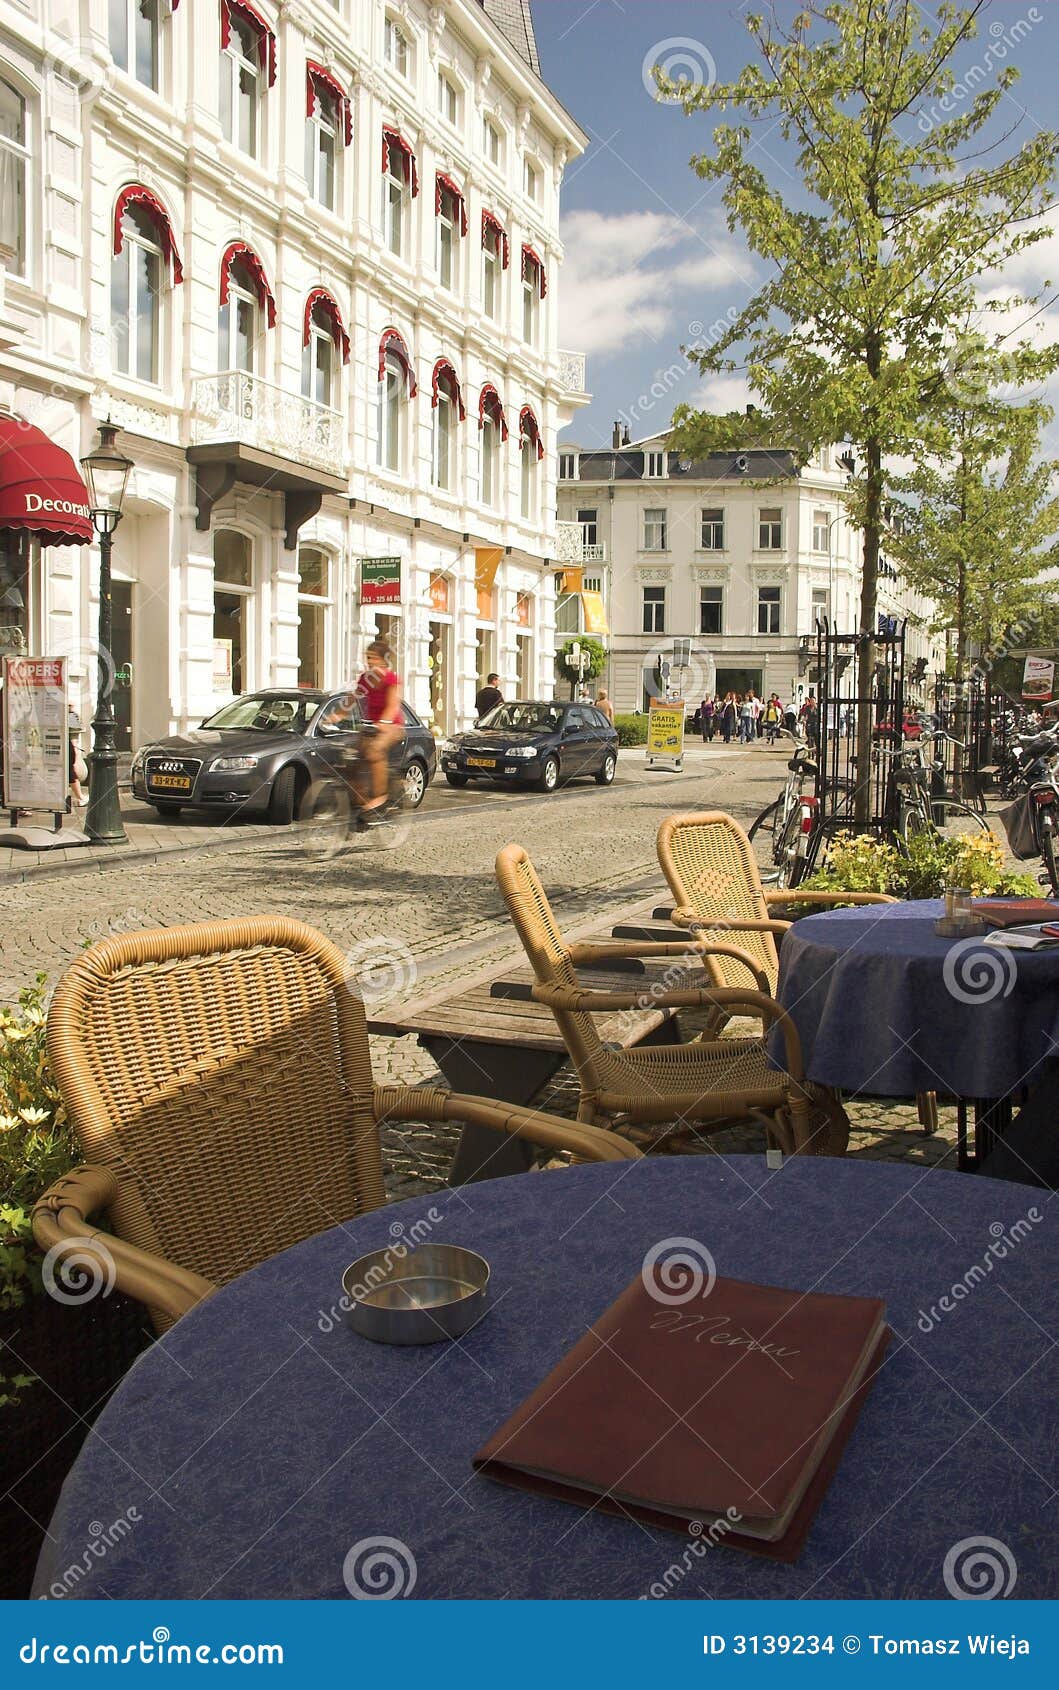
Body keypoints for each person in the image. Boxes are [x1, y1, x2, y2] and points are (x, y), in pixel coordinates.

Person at [354, 640, 405, 817]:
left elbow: (393, 706)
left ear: (383, 660)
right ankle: (360, 800)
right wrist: (336, 716)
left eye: (373, 658)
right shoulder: (365, 679)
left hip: (392, 726)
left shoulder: (391, 679)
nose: (369, 661)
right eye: (368, 657)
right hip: (371, 726)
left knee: (374, 751)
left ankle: (381, 798)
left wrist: (383, 722)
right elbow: (354, 699)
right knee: (352, 757)